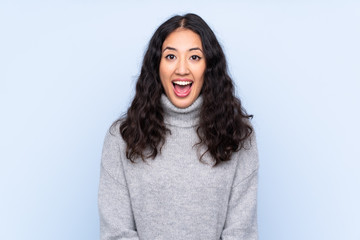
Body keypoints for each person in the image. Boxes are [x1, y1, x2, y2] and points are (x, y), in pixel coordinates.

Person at [98, 13, 259, 240]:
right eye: (171, 56)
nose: (181, 69)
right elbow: (116, 233)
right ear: (157, 65)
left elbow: (241, 233)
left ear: (209, 67)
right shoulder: (122, 137)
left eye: (194, 57)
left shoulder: (238, 137)